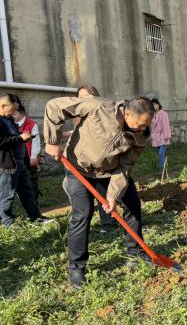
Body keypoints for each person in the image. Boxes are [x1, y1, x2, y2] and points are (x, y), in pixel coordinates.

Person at [43, 95, 155, 289]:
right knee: (83, 213)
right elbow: (54, 107)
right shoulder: (98, 107)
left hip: (109, 172)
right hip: (78, 167)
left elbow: (125, 167)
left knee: (133, 204)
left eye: (146, 124)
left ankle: (135, 252)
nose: (143, 129)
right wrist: (53, 140)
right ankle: (76, 268)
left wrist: (112, 195)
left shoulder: (141, 135)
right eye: (140, 124)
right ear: (126, 114)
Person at [62, 84, 117, 233]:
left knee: (102, 192)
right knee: (69, 186)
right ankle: (84, 219)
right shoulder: (77, 117)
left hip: (99, 163)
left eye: (86, 97)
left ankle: (108, 223)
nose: (83, 101)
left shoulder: (101, 113)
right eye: (80, 98)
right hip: (80, 164)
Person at [0, 94, 49, 227]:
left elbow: (15, 141)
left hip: (20, 164)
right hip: (7, 165)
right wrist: (21, 138)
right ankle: (8, 222)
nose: (14, 112)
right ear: (3, 106)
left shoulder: (9, 120)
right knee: (7, 194)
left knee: (27, 192)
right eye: (13, 108)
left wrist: (24, 141)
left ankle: (35, 216)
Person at [13, 104, 41, 204]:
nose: (12, 116)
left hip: (28, 159)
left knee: (31, 182)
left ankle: (34, 203)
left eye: (14, 114)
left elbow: (36, 142)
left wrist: (33, 156)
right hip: (13, 160)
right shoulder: (8, 124)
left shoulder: (31, 124)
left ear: (22, 114)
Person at [150, 98, 171, 173]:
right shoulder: (152, 115)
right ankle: (165, 166)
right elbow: (152, 127)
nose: (154, 106)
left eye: (155, 104)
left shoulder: (164, 114)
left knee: (161, 153)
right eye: (152, 105)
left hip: (163, 137)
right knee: (159, 154)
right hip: (156, 138)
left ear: (159, 104)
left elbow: (166, 126)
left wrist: (167, 136)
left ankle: (161, 169)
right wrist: (152, 137)